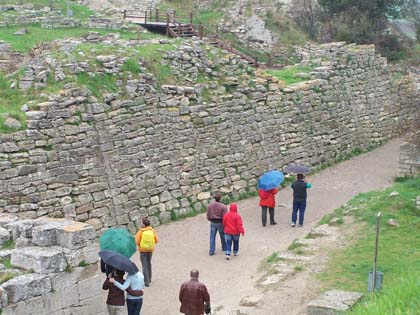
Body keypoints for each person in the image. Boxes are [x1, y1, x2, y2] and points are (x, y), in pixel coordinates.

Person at [135, 218, 158, 287]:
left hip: (142, 251)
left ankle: (146, 281)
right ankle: (149, 278)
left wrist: (141, 245)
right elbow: (156, 240)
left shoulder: (140, 232)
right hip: (150, 250)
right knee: (149, 263)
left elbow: (137, 242)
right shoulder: (152, 231)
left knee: (144, 265)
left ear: (144, 224)